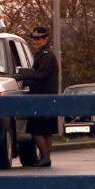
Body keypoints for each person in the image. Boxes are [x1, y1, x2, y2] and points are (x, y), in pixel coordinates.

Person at [27, 26, 59, 167]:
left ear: (46, 39)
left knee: (36, 130)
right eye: (34, 38)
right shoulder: (43, 54)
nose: (35, 41)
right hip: (47, 97)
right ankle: (45, 158)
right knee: (46, 130)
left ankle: (46, 158)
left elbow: (42, 75)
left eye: (38, 38)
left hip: (42, 97)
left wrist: (28, 77)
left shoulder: (46, 55)